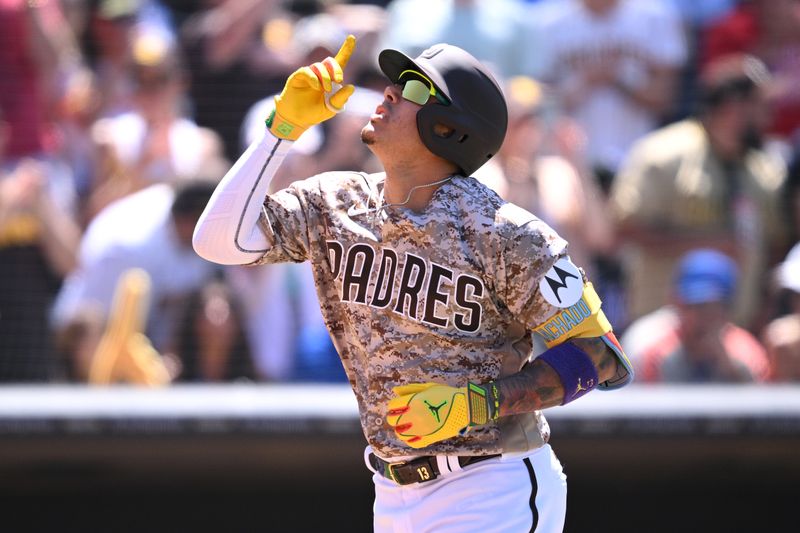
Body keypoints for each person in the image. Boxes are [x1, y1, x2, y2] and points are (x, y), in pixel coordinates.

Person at [193, 36, 632, 531]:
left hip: (492, 484)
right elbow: (218, 241)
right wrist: (281, 129)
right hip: (391, 490)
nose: (389, 92)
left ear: (450, 128)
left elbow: (603, 356)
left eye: (415, 88)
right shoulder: (336, 202)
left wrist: (475, 403)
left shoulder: (508, 233)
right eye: (395, 82)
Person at [610, 53, 788, 329]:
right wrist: (708, 243)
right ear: (733, 106)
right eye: (761, 105)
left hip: (738, 330)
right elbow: (626, 228)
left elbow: (777, 244)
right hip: (664, 330)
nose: (768, 116)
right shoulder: (664, 155)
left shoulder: (764, 169)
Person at [630, 249, 770, 383]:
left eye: (710, 307)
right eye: (692, 305)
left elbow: (758, 403)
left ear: (726, 310)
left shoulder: (747, 355)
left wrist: (730, 368)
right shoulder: (654, 350)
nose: (699, 316)